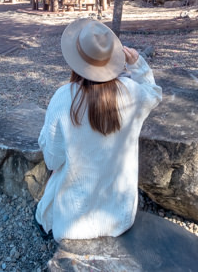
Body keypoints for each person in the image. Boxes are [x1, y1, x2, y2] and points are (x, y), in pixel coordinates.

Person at [35, 18, 163, 241]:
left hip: (72, 224)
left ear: (76, 59)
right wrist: (138, 65)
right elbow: (153, 93)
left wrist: (44, 137)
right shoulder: (133, 92)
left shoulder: (63, 98)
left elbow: (52, 161)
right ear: (112, 58)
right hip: (120, 218)